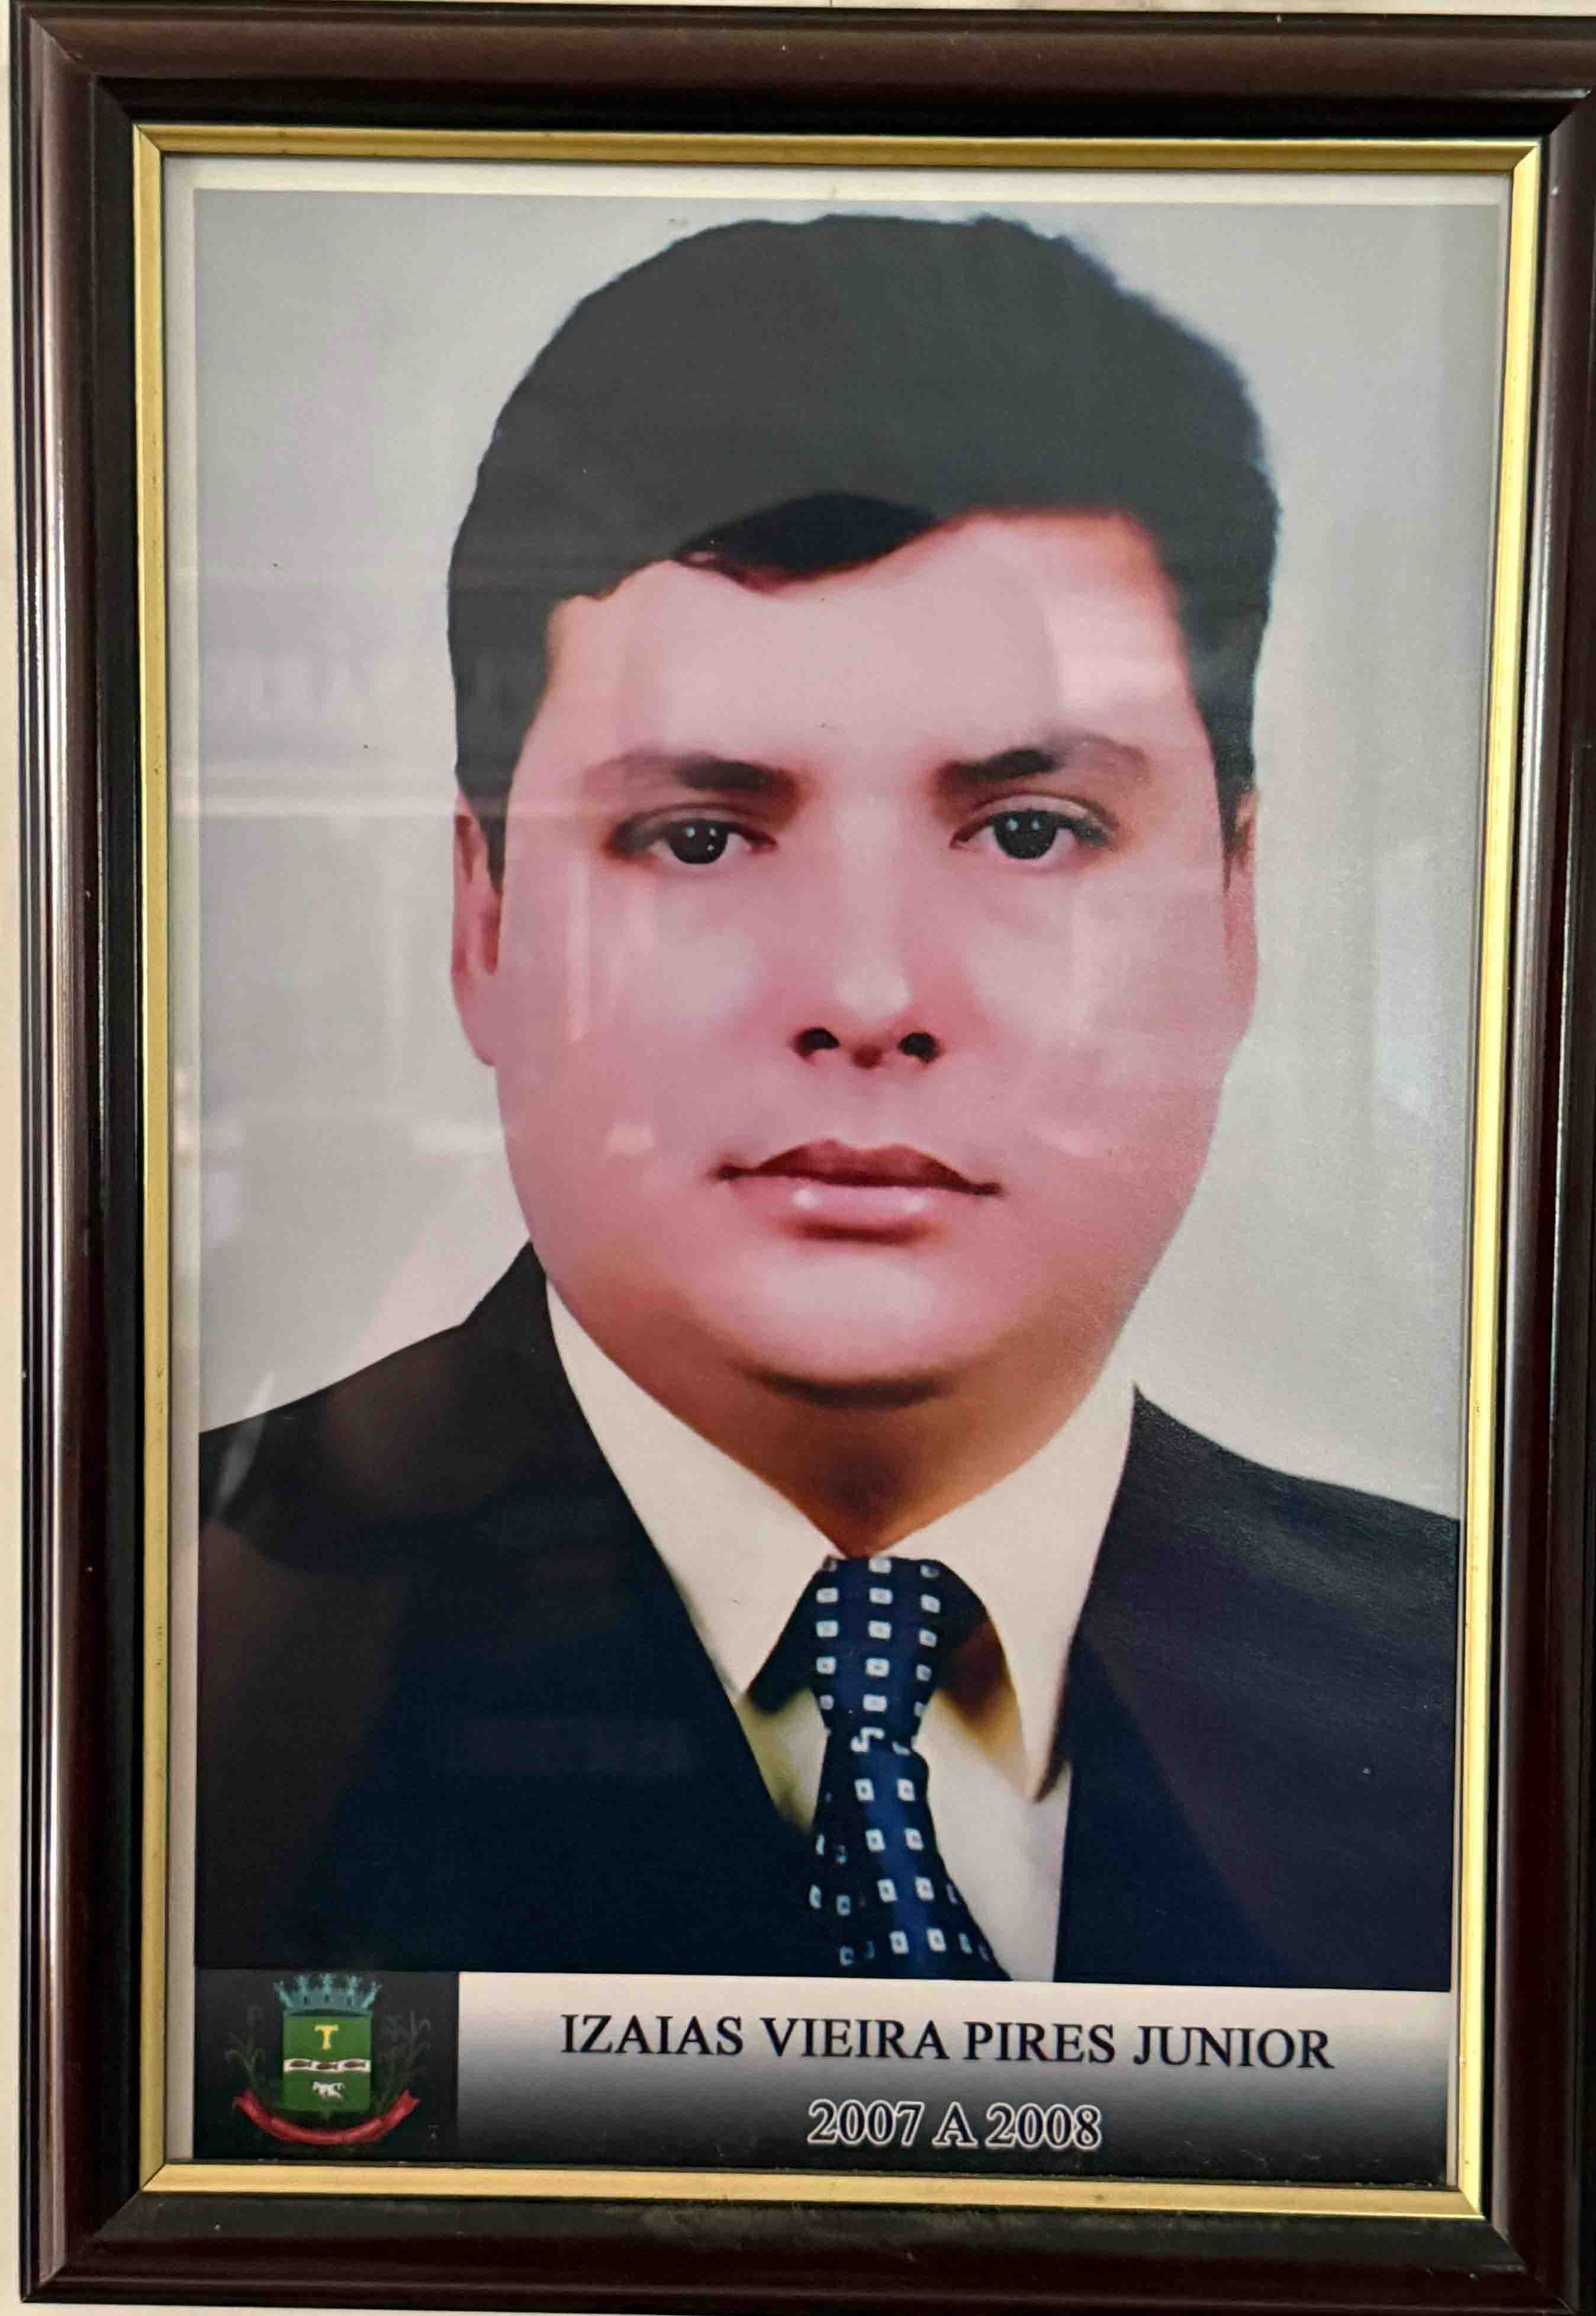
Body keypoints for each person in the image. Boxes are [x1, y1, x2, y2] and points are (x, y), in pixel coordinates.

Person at [197, 214, 1456, 1989]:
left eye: (1033, 832)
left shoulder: (1482, 1694)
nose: (868, 996)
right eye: (700, 839)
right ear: (482, 920)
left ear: (1237, 909)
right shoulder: (142, 1651)